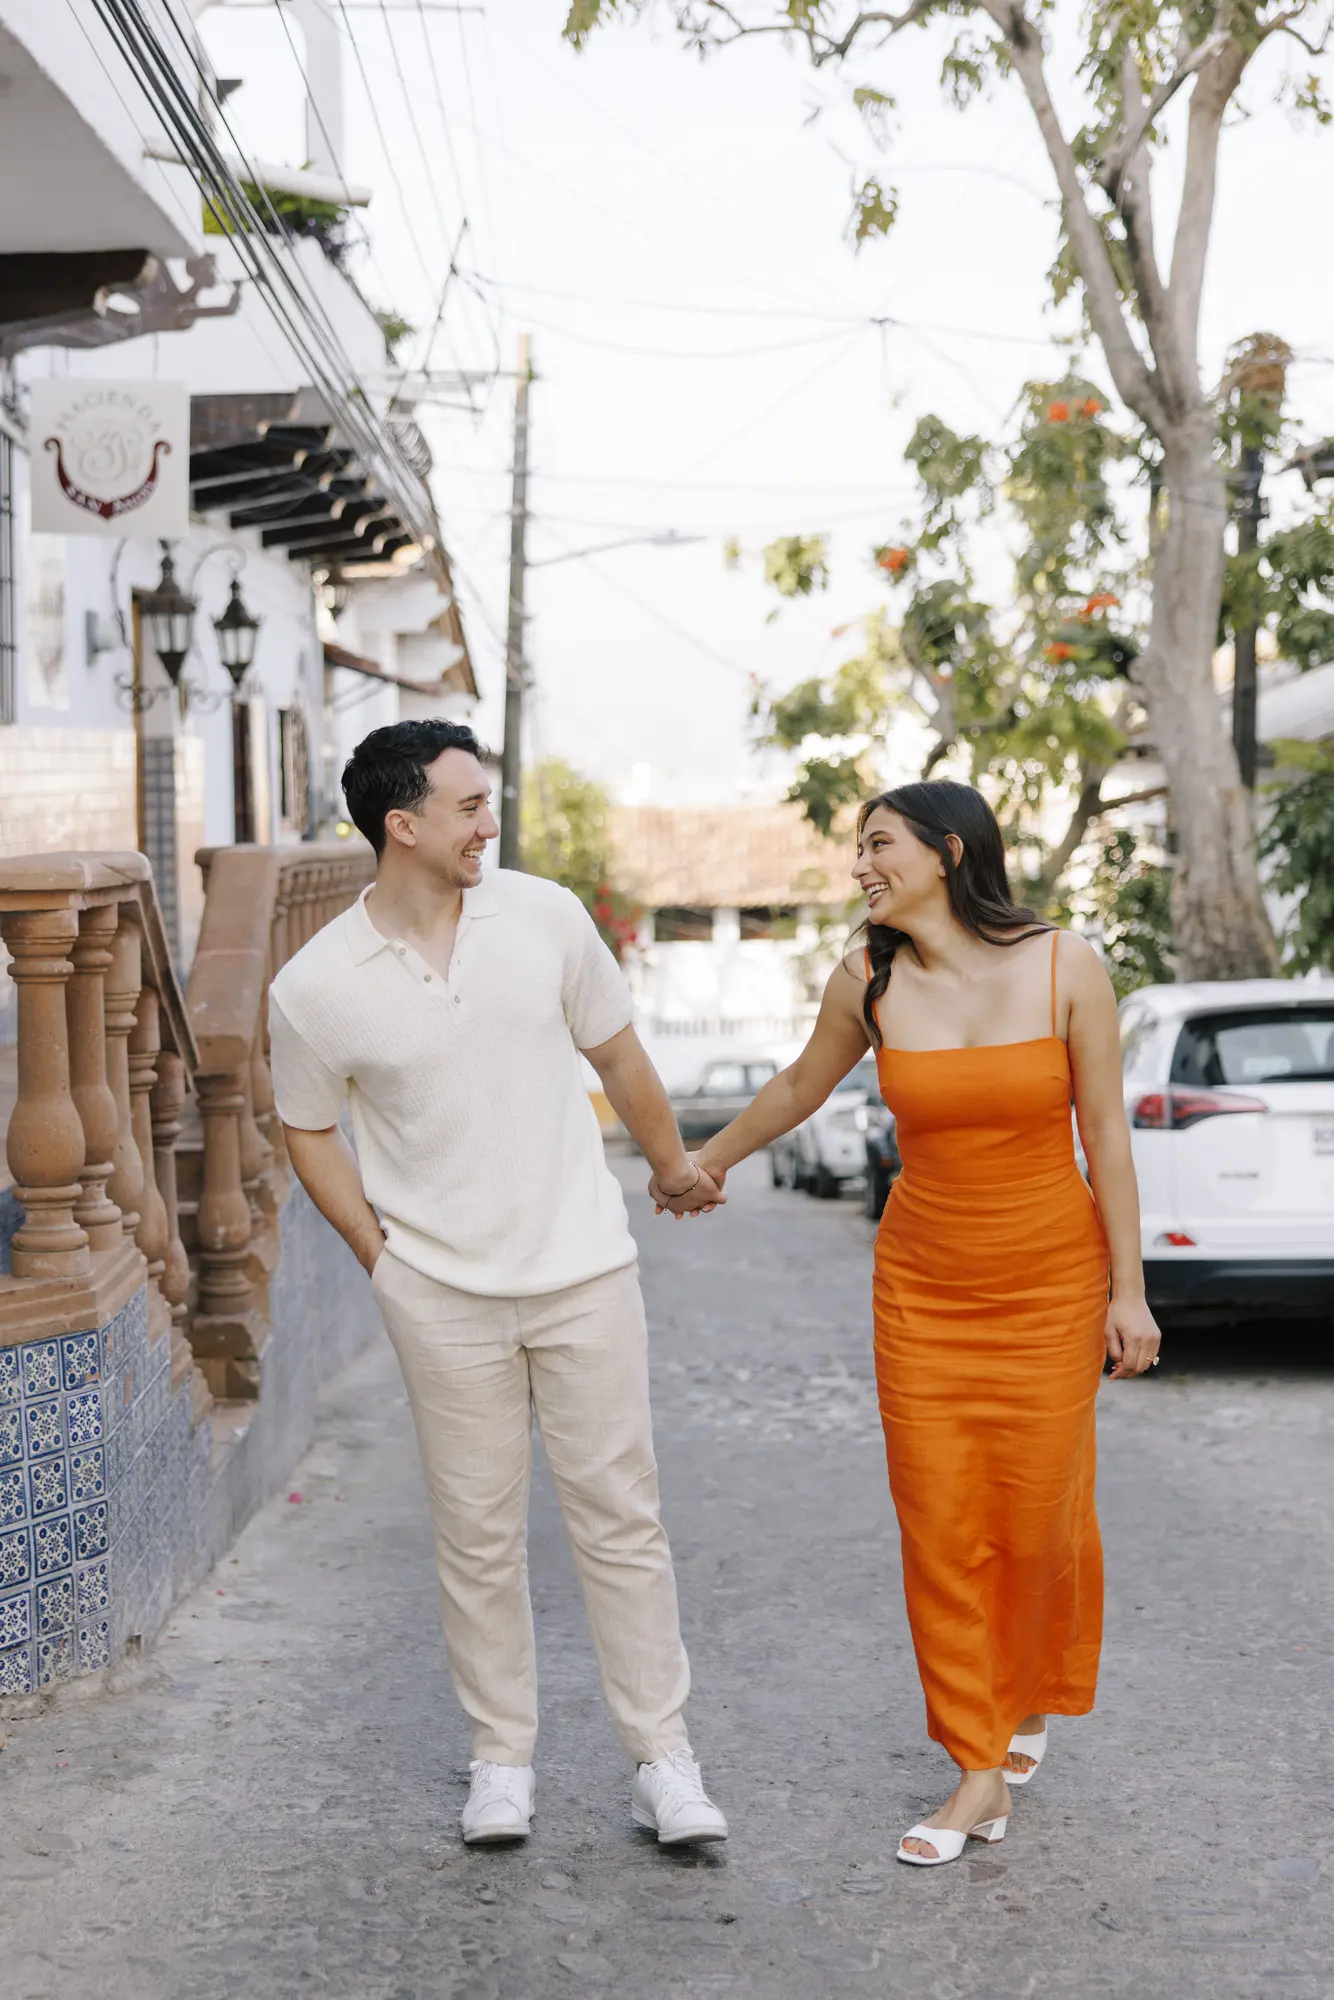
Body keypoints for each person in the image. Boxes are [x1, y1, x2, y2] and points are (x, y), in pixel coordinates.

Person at [659, 780, 1161, 1866]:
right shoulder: (868, 975)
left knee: (1038, 1519)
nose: (859, 867)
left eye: (877, 844)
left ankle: (1026, 1688)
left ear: (947, 851)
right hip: (924, 1290)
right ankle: (976, 1764)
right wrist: (706, 1162)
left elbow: (1108, 1141)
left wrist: (1128, 1291)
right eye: (858, 849)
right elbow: (800, 1085)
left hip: (1049, 1284)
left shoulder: (1064, 965)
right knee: (939, 1522)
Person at [268, 719, 727, 1848]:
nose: (489, 822)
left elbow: (618, 1054)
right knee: (475, 1536)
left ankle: (661, 1759)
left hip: (584, 1272)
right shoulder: (313, 985)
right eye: (468, 805)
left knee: (621, 1520)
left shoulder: (545, 916)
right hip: (439, 1294)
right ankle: (501, 1760)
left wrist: (671, 1166)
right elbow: (307, 1129)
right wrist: (380, 1256)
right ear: (402, 825)